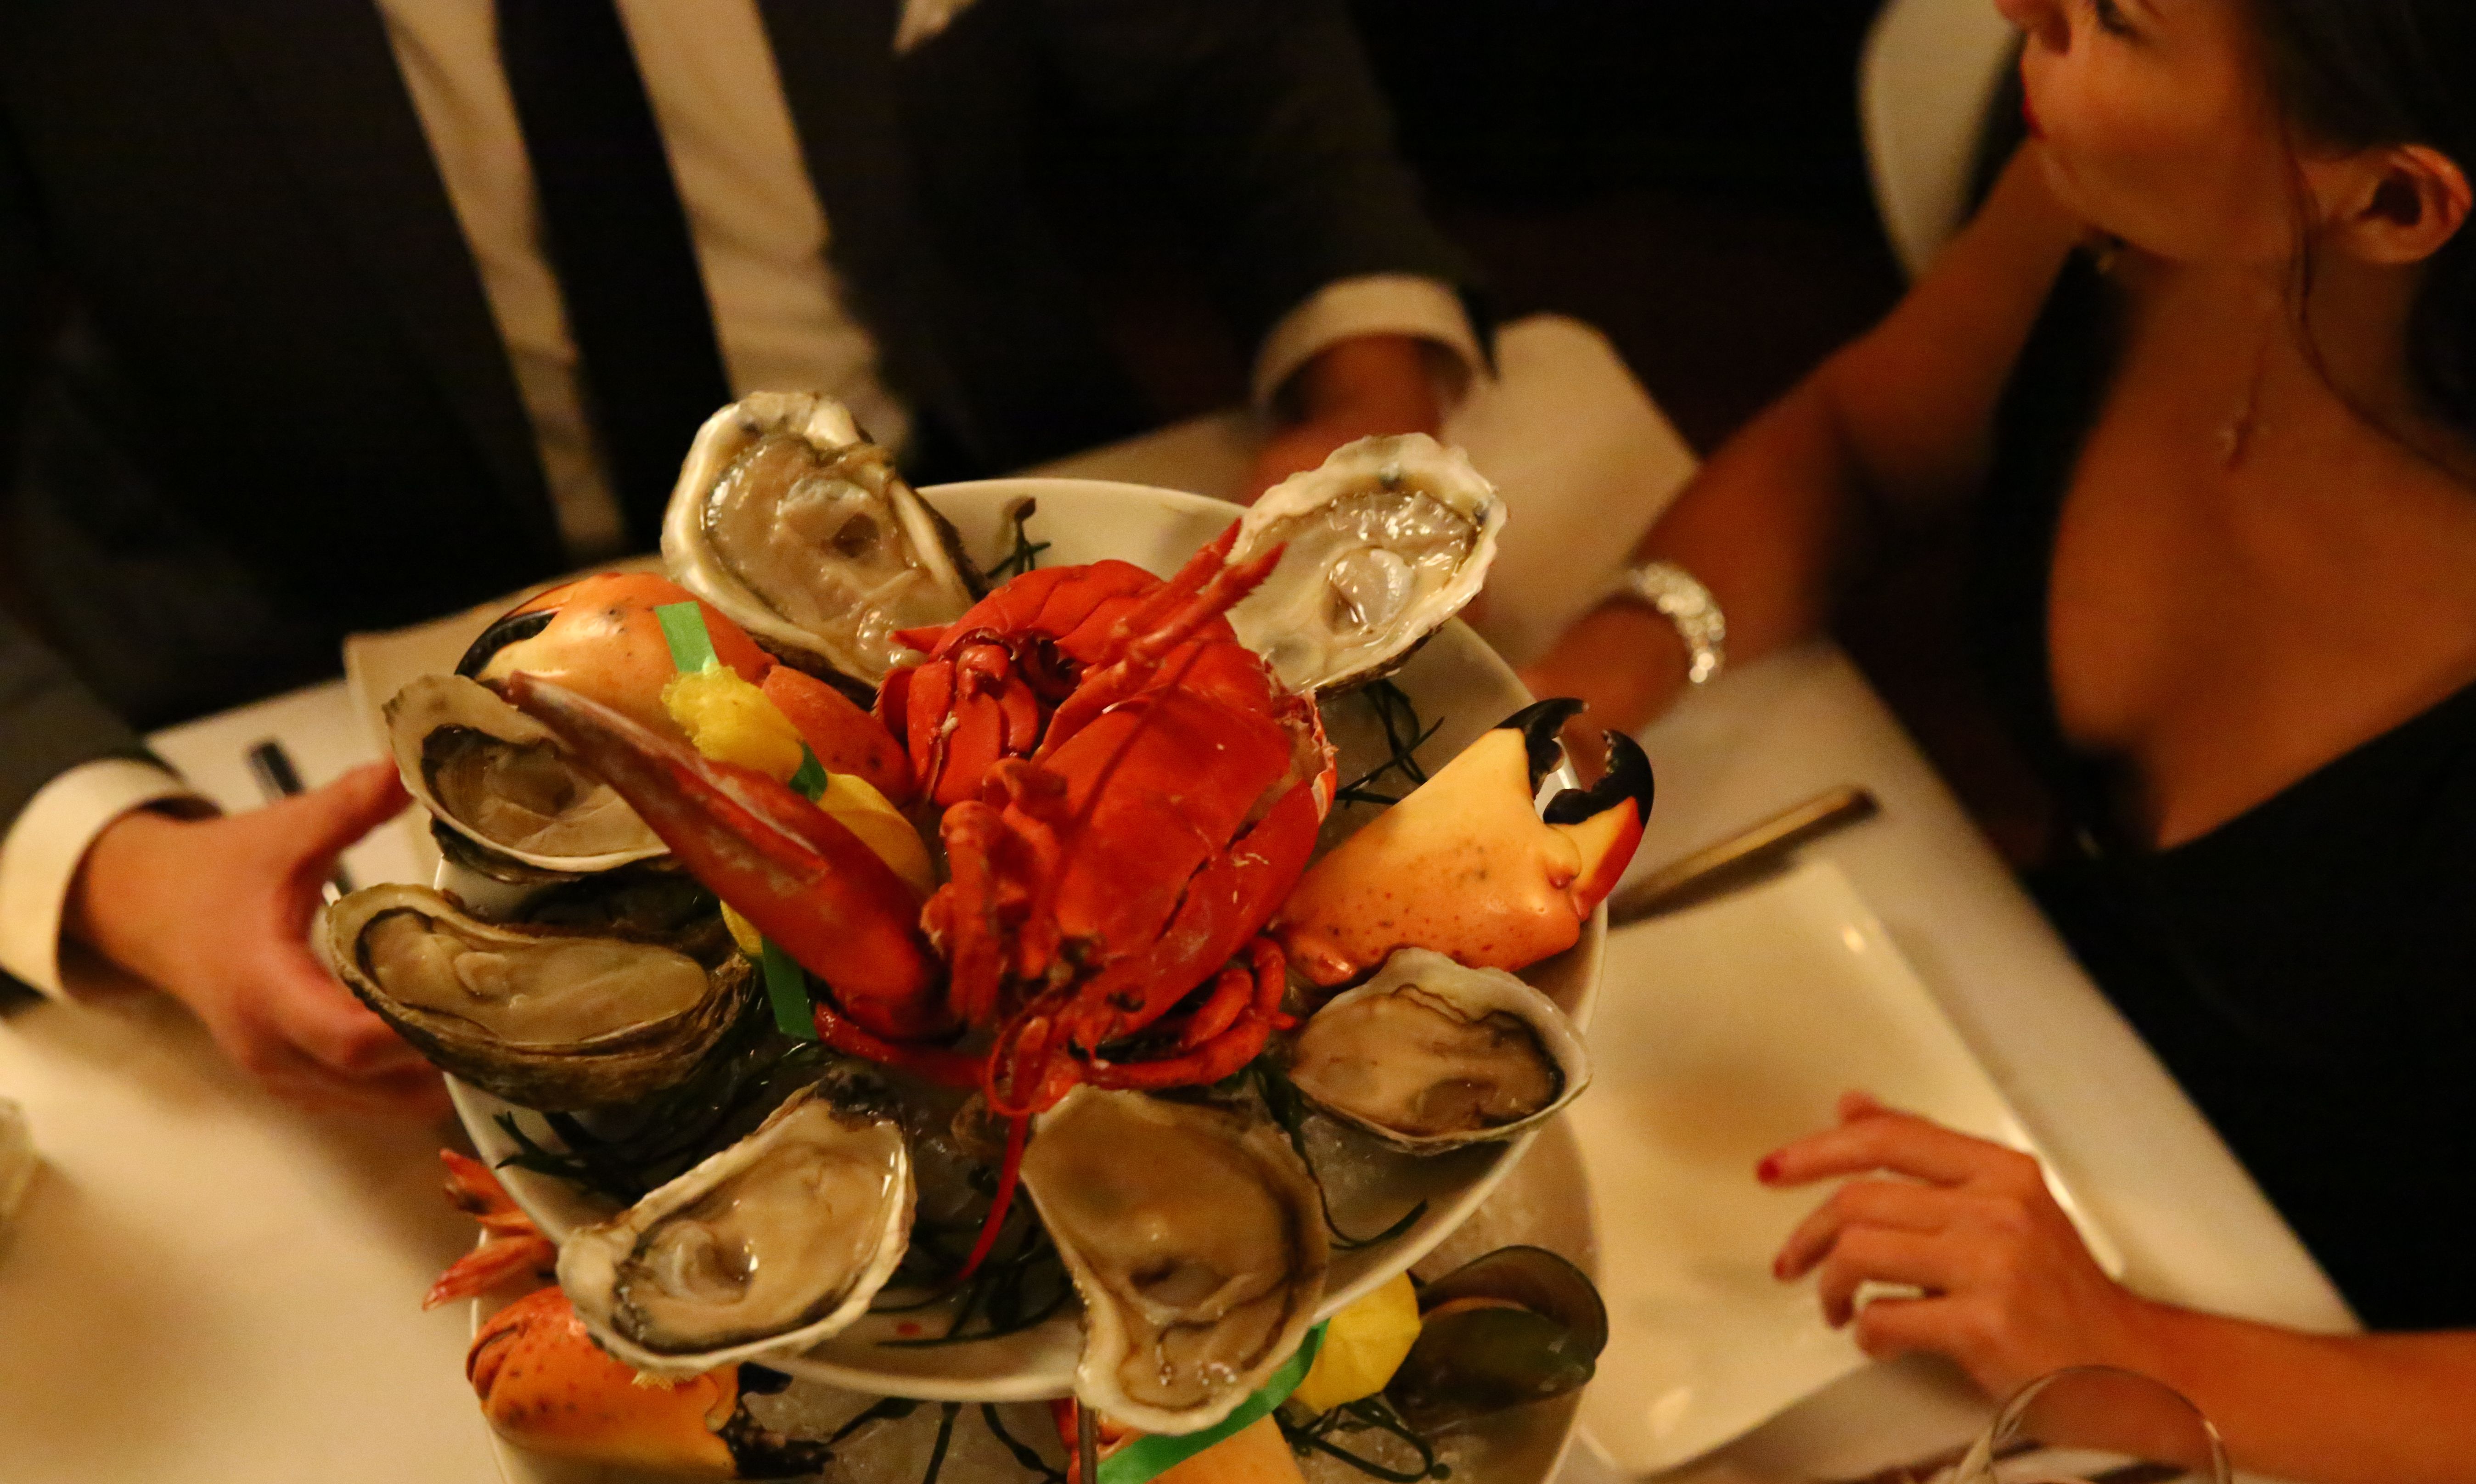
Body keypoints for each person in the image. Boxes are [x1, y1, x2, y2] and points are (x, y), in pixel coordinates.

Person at [1525, 0, 2476, 1484]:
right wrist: (1583, 703)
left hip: (2373, 1429)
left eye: (2116, 18)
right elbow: (1860, 447)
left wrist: (2129, 1353)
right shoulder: (2126, 218)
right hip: (2018, 1094)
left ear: (2393, 200)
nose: (2014, 11)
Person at [0, 0, 1484, 1113]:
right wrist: (116, 868)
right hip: (298, 657)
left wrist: (1361, 373)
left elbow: (1235, 51)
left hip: (960, 515)